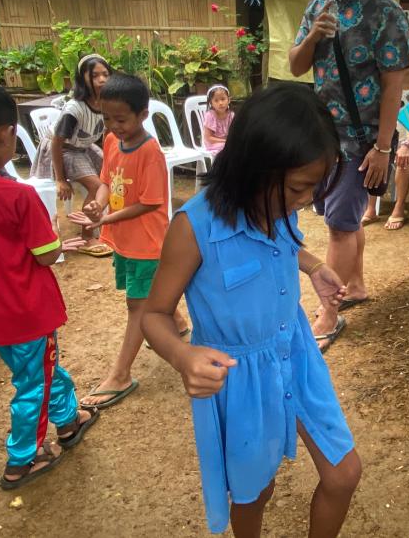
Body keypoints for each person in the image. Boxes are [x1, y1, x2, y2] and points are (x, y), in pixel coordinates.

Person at [139, 85, 360, 537]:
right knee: (255, 492)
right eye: (298, 187)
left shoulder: (279, 207)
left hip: (296, 354)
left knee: (344, 474)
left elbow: (281, 245)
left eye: (313, 187)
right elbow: (154, 314)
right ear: (253, 166)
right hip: (239, 378)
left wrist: (313, 266)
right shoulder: (193, 228)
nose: (306, 200)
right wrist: (183, 357)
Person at [0, 78, 99, 489]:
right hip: (26, 311)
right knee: (33, 383)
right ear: (6, 134)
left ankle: (68, 420)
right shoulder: (18, 196)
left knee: (41, 369)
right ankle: (23, 458)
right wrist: (59, 237)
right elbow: (45, 254)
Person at [288, 0, 409, 351]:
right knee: (341, 218)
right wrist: (313, 37)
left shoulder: (387, 14)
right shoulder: (318, 6)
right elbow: (296, 65)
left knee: (340, 225)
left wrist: (383, 148)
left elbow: (393, 86)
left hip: (363, 143)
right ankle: (354, 285)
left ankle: (329, 313)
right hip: (322, 138)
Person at [68, 72, 180, 409]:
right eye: (106, 118)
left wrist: (105, 219)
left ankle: (120, 375)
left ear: (142, 114)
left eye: (121, 119)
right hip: (125, 238)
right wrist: (98, 204)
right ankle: (176, 321)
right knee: (146, 292)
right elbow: (106, 180)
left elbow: (149, 203)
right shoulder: (112, 141)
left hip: (146, 242)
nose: (114, 126)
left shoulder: (150, 152)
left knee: (137, 306)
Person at [31, 54, 113, 257]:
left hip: (84, 146)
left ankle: (109, 222)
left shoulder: (106, 102)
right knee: (98, 186)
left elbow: (106, 132)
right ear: (83, 78)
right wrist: (60, 179)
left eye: (105, 74)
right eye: (95, 75)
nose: (102, 80)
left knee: (113, 175)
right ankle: (87, 237)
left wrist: (108, 157)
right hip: (63, 149)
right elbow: (57, 142)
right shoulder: (74, 109)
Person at [360, 39, 409, 230]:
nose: (404, 58)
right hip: (387, 139)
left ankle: (399, 207)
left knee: (404, 158)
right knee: (374, 153)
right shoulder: (384, 84)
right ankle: (370, 208)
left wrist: (406, 144)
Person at [201, 84, 234, 156]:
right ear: (211, 103)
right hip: (213, 144)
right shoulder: (210, 116)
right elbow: (208, 138)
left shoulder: (231, 115)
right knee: (228, 146)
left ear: (229, 100)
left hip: (227, 142)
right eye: (216, 100)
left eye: (223, 99)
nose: (220, 103)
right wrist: (225, 141)